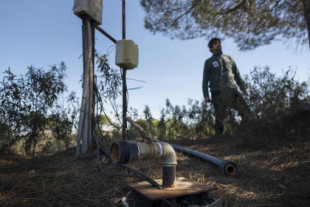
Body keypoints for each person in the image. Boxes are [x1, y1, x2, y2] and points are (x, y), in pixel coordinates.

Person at [202, 38, 251, 135]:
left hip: (231, 89)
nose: (218, 45)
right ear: (211, 49)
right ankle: (218, 138)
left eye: (219, 43)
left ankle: (247, 132)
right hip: (217, 92)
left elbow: (237, 74)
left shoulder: (229, 58)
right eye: (215, 44)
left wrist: (243, 88)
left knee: (245, 111)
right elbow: (205, 79)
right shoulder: (209, 62)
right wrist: (206, 95)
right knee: (220, 116)